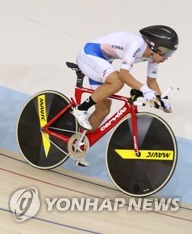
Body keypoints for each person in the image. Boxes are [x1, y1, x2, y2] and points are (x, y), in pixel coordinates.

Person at [71, 25, 179, 166]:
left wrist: (161, 100)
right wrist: (145, 90)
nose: (167, 58)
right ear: (154, 46)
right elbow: (124, 74)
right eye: (166, 53)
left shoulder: (153, 57)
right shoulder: (136, 44)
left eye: (170, 54)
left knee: (103, 109)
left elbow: (151, 81)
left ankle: (77, 145)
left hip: (104, 61)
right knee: (117, 81)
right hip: (89, 55)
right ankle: (80, 109)